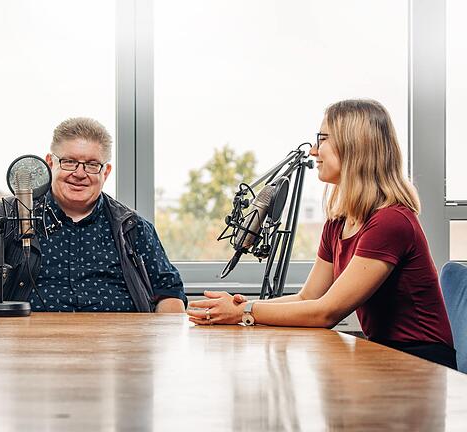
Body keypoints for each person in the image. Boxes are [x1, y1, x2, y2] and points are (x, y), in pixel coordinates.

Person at [188, 99, 457, 369]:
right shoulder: (338, 223)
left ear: (355, 144)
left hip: (423, 364)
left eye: (323, 138)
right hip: (385, 356)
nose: (314, 150)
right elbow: (309, 298)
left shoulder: (391, 222)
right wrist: (245, 306)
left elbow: (327, 311)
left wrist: (244, 312)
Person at [0, 117, 186, 312]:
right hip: (24, 354)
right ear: (50, 163)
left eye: (92, 164)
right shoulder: (4, 216)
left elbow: (170, 293)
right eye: (70, 162)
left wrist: (159, 339)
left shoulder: (133, 227)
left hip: (116, 357)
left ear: (106, 172)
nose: (80, 173)